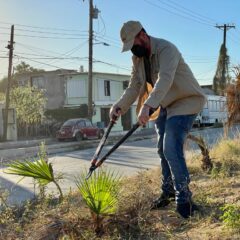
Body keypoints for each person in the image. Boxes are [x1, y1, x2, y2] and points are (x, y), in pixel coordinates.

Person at [109, 20, 206, 219]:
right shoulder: (138, 59)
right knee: (161, 149)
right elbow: (134, 86)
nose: (133, 51)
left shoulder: (166, 49)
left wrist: (148, 106)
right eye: (129, 49)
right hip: (164, 104)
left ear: (143, 36)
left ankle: (184, 200)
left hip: (185, 100)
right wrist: (119, 106)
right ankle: (168, 191)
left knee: (171, 147)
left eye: (134, 46)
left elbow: (165, 79)